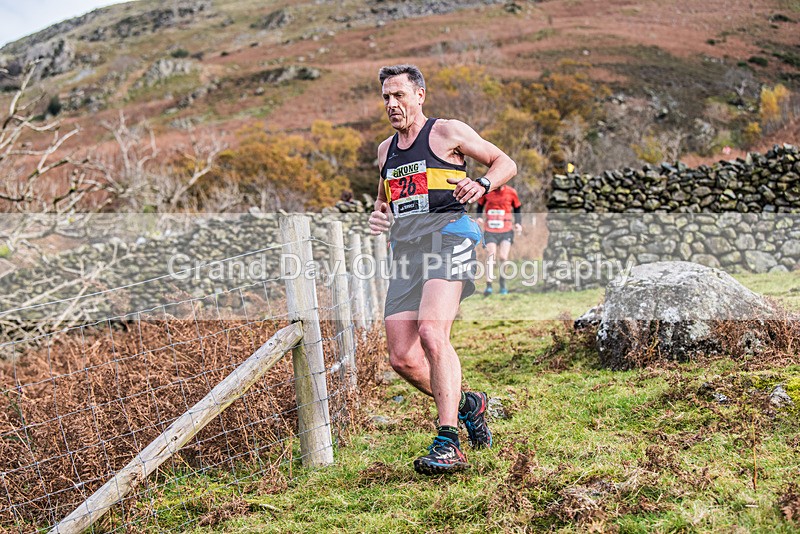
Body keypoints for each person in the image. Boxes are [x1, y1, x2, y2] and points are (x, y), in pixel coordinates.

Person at [368, 64, 517, 475]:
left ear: (419, 95)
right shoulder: (385, 150)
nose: (391, 104)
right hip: (406, 249)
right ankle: (469, 403)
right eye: (386, 97)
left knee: (433, 333)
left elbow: (504, 162)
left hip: (449, 235)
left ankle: (448, 442)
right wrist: (380, 215)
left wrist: (483, 184)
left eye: (399, 95)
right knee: (402, 357)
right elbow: (384, 198)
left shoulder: (447, 132)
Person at [476, 184, 522, 295]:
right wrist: (479, 217)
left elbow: (517, 208)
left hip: (506, 230)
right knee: (491, 255)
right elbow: (479, 206)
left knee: (503, 257)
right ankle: (489, 285)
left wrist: (518, 223)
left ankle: (502, 283)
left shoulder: (511, 192)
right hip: (490, 230)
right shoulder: (487, 191)